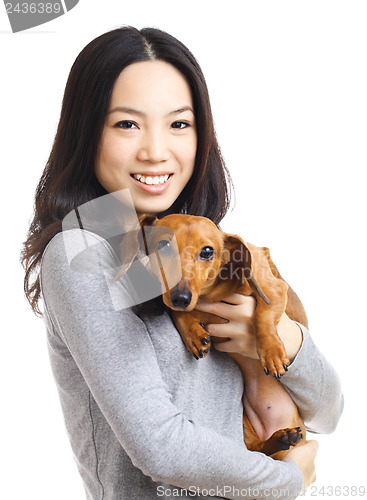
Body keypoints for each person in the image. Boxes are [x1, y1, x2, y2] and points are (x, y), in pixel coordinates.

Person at [21, 26, 343, 500]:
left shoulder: (194, 248)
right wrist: (287, 480)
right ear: (87, 133)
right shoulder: (85, 251)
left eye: (178, 123)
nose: (155, 150)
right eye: (127, 123)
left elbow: (328, 413)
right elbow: (160, 448)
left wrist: (283, 338)